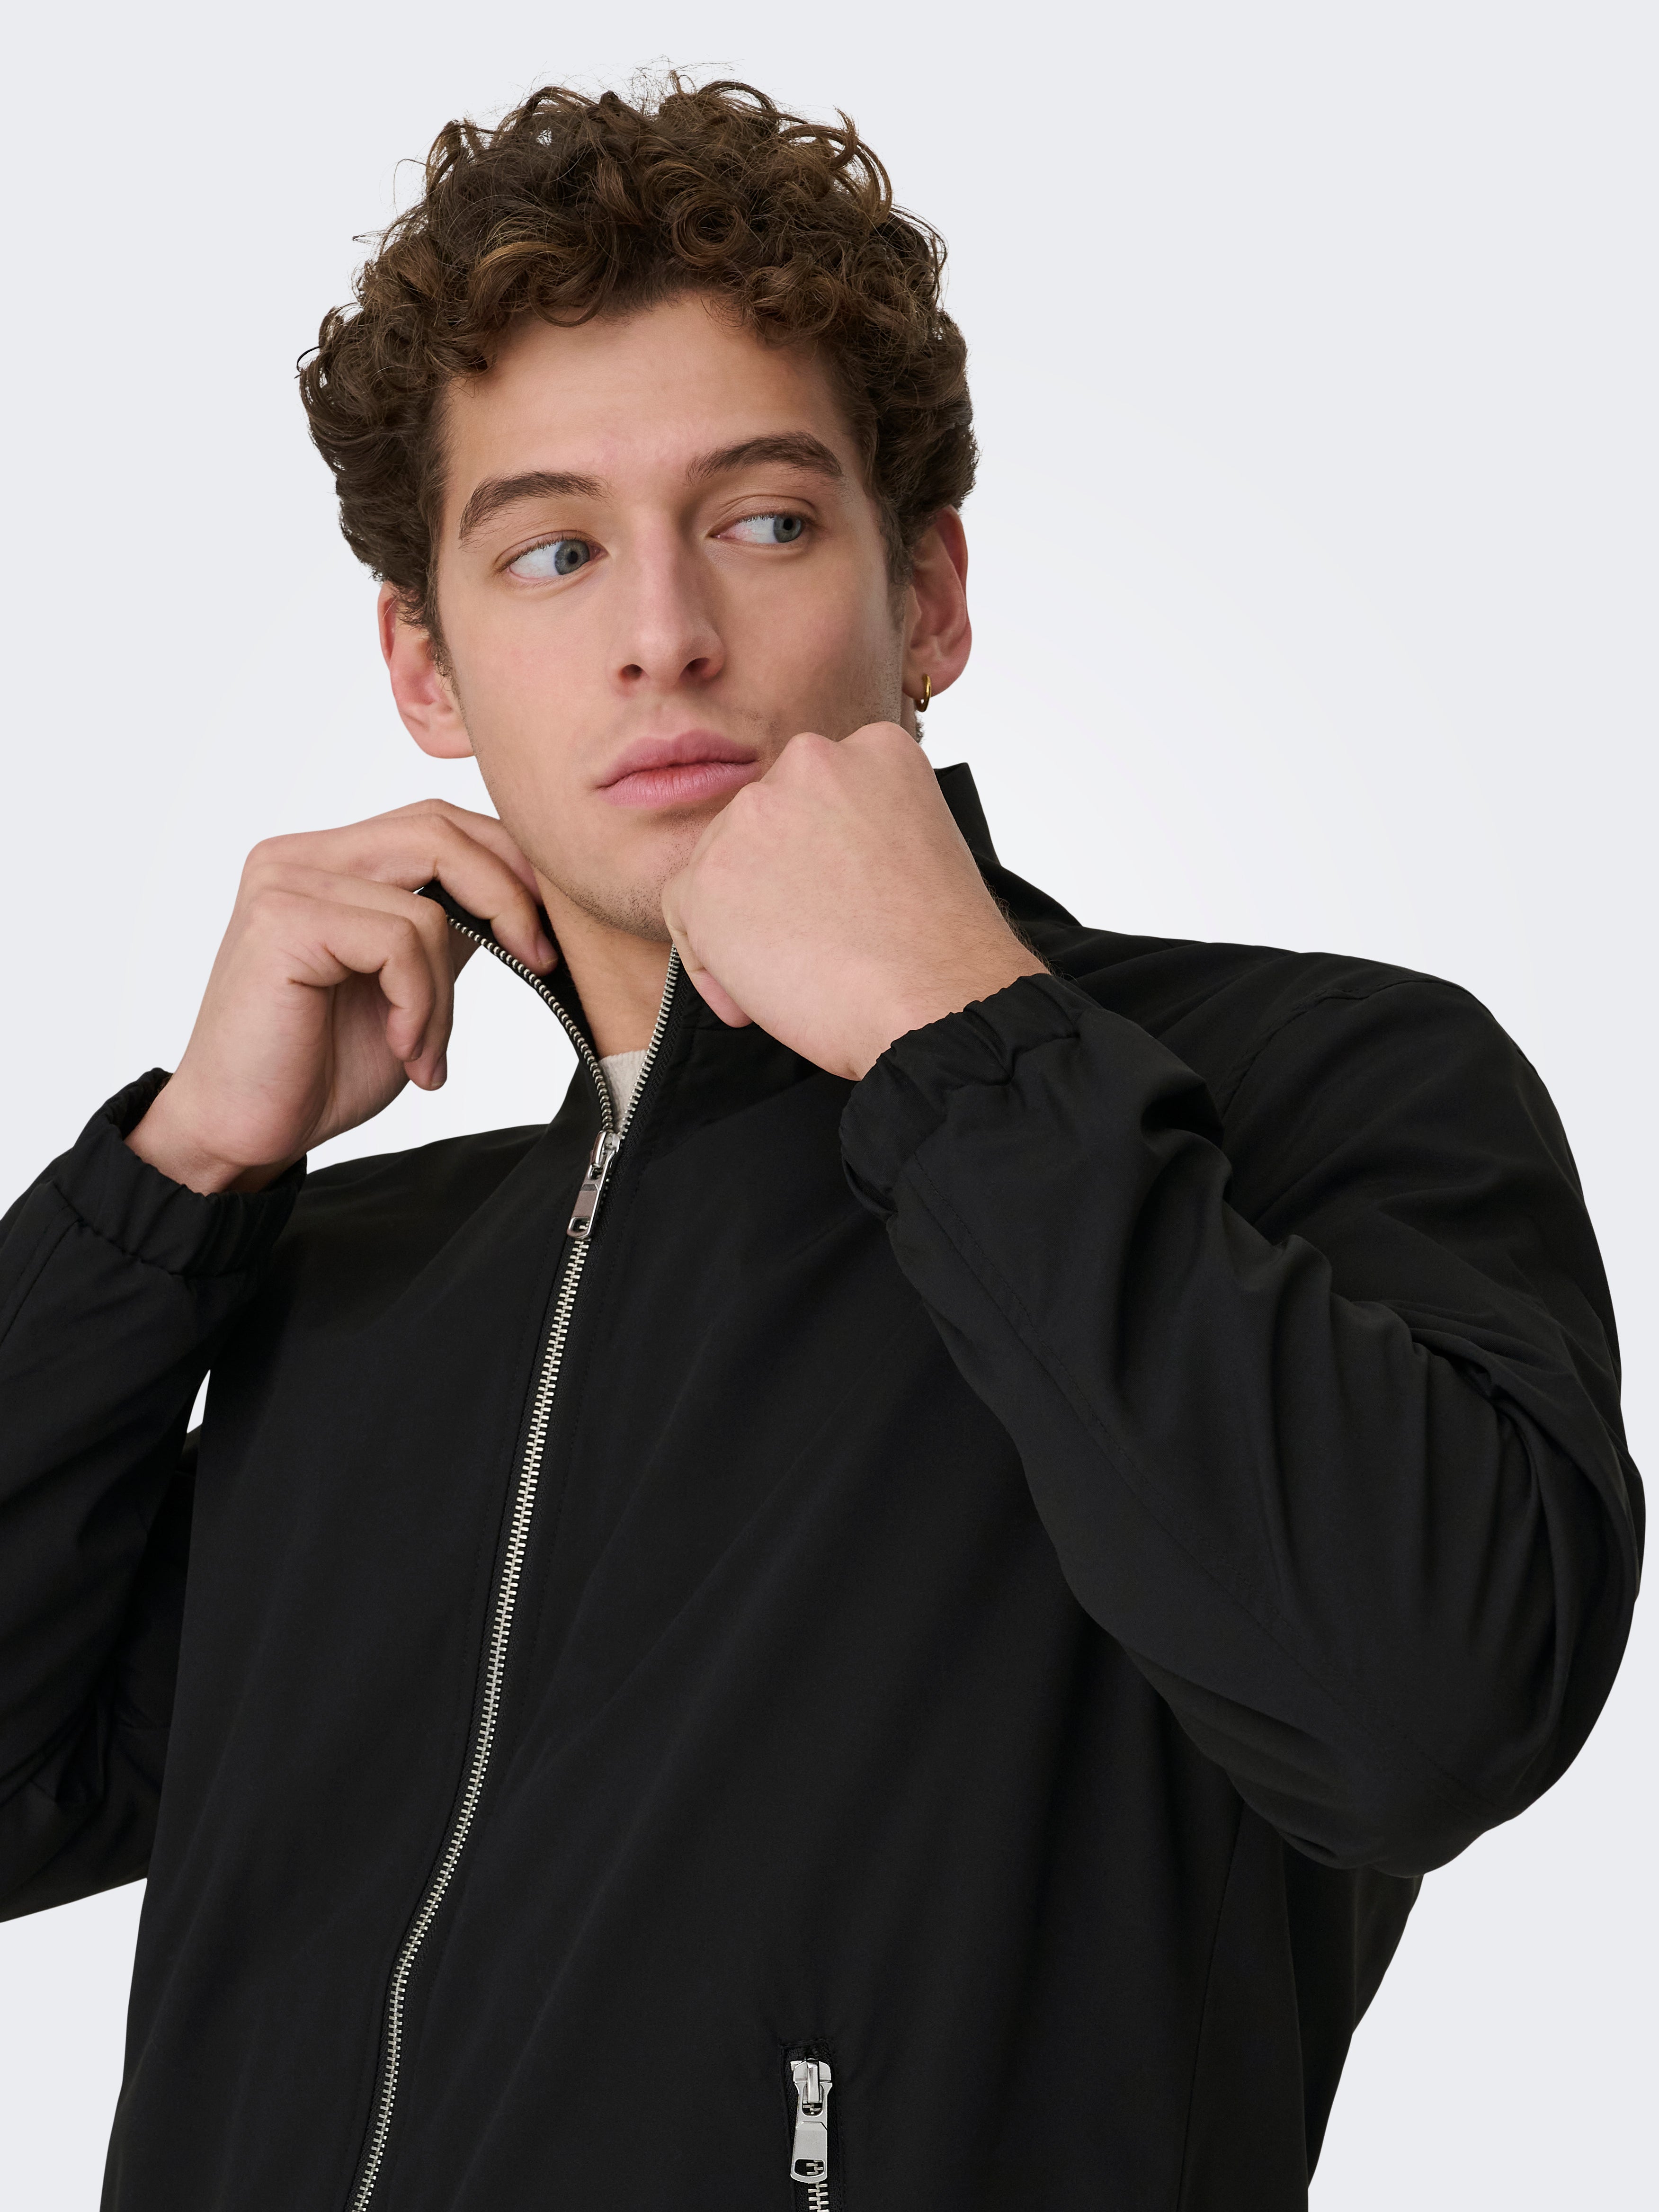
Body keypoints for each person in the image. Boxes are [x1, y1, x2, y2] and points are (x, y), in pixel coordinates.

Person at [0, 77, 1640, 2212]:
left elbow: (1425, 1713)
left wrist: (962, 1043)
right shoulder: (352, 1273)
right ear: (428, 662)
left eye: (765, 522)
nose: (662, 632)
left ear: (928, 594)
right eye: (554, 550)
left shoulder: (1306, 1090)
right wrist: (172, 1190)